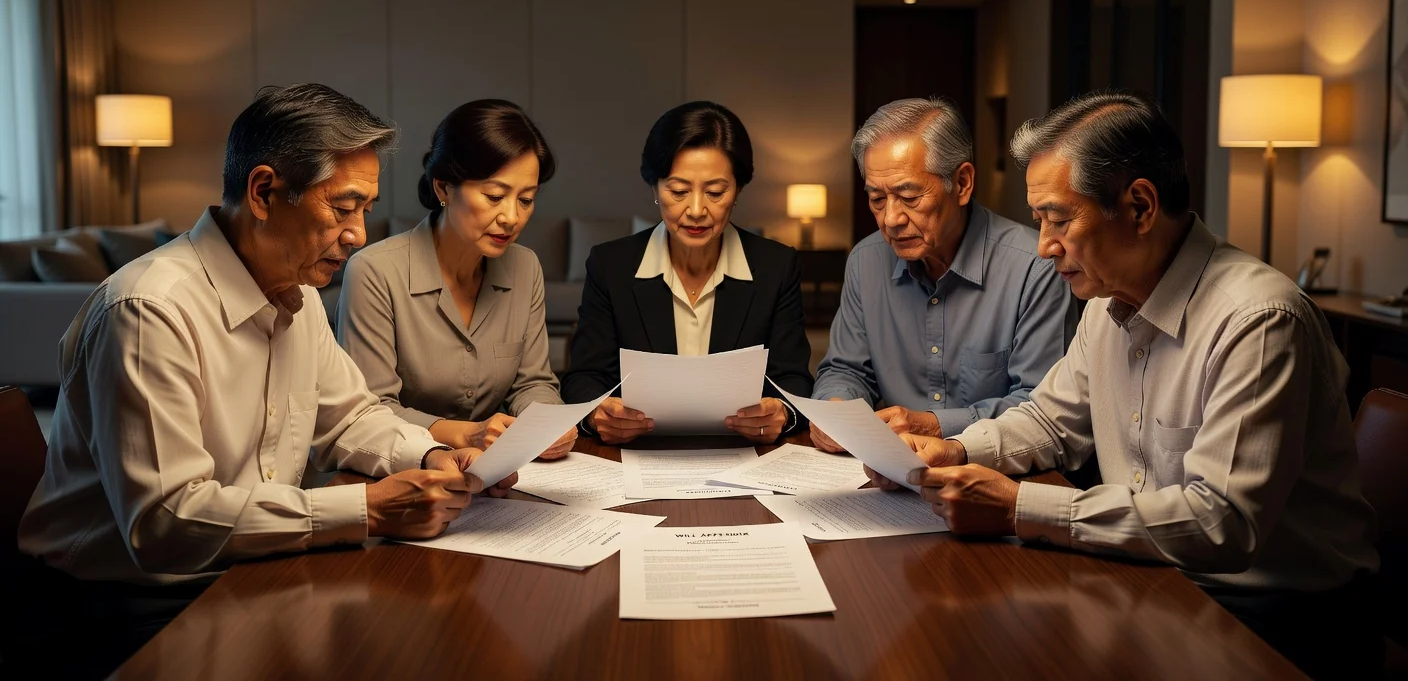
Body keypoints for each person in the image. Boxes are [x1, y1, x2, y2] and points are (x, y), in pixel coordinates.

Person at [867, 90, 1381, 679]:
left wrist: (1018, 507)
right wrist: (954, 449)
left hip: (1277, 618)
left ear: (1139, 207)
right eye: (1038, 221)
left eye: (1059, 219)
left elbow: (1220, 524)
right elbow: (1048, 421)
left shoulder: (1258, 321)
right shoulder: (1106, 299)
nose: (1043, 246)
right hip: (1155, 581)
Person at [13, 83, 515, 679]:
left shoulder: (295, 293)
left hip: (243, 570)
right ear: (263, 191)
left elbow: (351, 418)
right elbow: (166, 522)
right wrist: (369, 509)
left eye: (366, 208)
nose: (359, 234)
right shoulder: (150, 310)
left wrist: (434, 451)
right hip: (119, 609)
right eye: (344, 207)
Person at [811, 97, 1073, 451]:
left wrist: (935, 426)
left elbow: (1040, 407)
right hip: (885, 472)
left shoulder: (1034, 265)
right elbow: (845, 369)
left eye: (909, 196)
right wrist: (836, 408)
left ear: (962, 183)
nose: (891, 218)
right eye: (876, 199)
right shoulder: (866, 260)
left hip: (994, 474)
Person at [560, 101, 813, 444]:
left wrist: (782, 413)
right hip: (637, 454)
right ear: (654, 188)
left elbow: (794, 381)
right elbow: (584, 378)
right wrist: (596, 415)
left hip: (745, 456)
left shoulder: (776, 266)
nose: (696, 210)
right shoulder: (611, 266)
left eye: (715, 192)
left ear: (738, 190)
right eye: (678, 191)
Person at [338, 100, 573, 460]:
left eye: (526, 200)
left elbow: (534, 383)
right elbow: (371, 411)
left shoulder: (526, 267)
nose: (511, 217)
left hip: (499, 474)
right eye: (494, 196)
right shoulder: (374, 271)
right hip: (402, 472)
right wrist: (466, 435)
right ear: (444, 189)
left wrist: (545, 421)